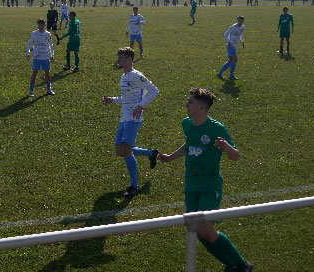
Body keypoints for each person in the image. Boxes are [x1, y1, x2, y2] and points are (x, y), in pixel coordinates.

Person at [158, 87, 253, 272]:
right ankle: (231, 264)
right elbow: (189, 144)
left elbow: (235, 156)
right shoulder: (187, 123)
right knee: (197, 230)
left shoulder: (217, 129)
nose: (186, 105)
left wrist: (227, 148)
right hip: (191, 184)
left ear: (202, 107)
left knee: (207, 230)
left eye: (190, 102)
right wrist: (170, 157)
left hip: (210, 185)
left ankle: (242, 265)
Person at [102, 47, 159, 197]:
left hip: (134, 118)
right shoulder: (124, 76)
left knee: (126, 150)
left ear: (129, 59)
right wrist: (112, 100)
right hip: (124, 117)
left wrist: (141, 106)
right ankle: (151, 153)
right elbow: (126, 99)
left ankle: (135, 186)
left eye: (121, 57)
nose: (118, 60)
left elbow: (154, 91)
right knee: (119, 151)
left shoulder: (136, 76)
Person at [26, 18, 55, 96]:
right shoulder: (34, 33)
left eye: (42, 25)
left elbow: (51, 45)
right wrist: (28, 53)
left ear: (44, 25)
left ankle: (49, 89)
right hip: (37, 57)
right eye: (39, 25)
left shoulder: (48, 34)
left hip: (45, 57)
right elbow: (29, 44)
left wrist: (52, 55)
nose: (40, 27)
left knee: (47, 72)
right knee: (34, 73)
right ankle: (31, 91)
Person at [217, 17, 245, 81]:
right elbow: (225, 34)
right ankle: (230, 75)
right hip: (230, 45)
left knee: (232, 60)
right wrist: (229, 42)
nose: (240, 22)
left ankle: (221, 73)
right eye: (239, 21)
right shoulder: (233, 27)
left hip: (235, 45)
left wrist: (242, 41)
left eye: (242, 21)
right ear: (237, 20)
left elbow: (241, 34)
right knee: (234, 60)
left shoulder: (242, 27)